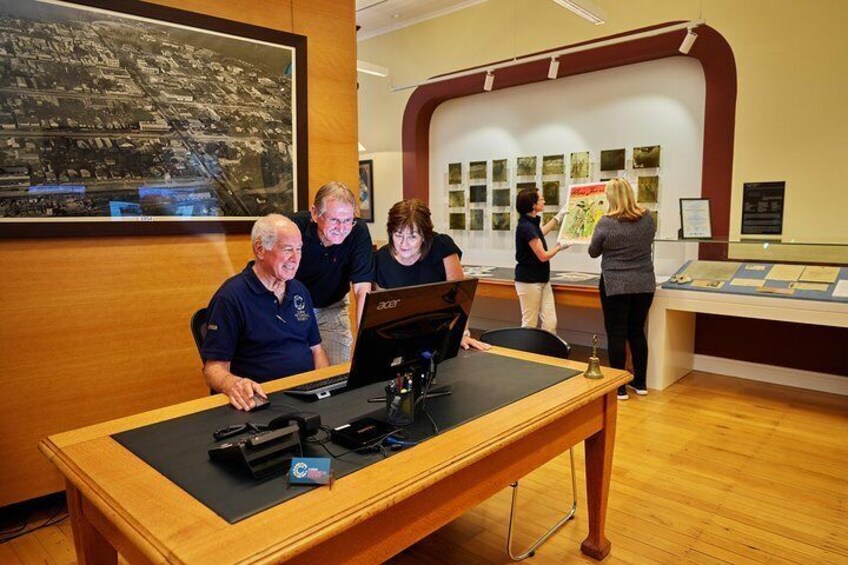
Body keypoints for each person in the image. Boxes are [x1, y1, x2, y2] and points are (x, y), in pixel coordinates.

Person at [201, 214, 329, 411]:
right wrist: (234, 384)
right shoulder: (230, 297)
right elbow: (213, 369)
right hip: (262, 401)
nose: (295, 259)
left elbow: (316, 350)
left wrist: (324, 388)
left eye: (299, 249)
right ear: (260, 249)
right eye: (287, 250)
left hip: (305, 396)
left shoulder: (300, 291)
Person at [374, 198, 489, 351]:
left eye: (412, 236)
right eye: (398, 235)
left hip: (440, 333)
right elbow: (380, 313)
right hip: (399, 338)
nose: (404, 244)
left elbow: (460, 296)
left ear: (424, 235)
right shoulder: (381, 259)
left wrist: (461, 333)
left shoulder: (442, 248)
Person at [288, 181, 374, 365]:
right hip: (293, 310)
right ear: (314, 213)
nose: (342, 228)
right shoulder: (293, 228)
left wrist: (365, 339)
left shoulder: (358, 231)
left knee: (335, 376)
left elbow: (362, 289)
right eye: (334, 220)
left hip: (332, 309)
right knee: (295, 373)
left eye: (348, 221)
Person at [588, 178, 656, 400]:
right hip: (644, 283)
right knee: (636, 332)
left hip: (615, 283)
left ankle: (618, 388)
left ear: (611, 197)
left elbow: (593, 251)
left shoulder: (606, 223)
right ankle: (641, 383)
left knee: (616, 334)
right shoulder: (648, 218)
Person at [514, 188, 569, 333]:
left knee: (551, 322)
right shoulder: (526, 227)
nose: (544, 201)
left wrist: (559, 217)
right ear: (533, 205)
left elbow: (541, 232)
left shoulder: (530, 223)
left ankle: (546, 353)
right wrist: (560, 246)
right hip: (529, 281)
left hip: (542, 279)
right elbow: (543, 256)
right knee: (529, 323)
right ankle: (524, 355)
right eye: (541, 199)